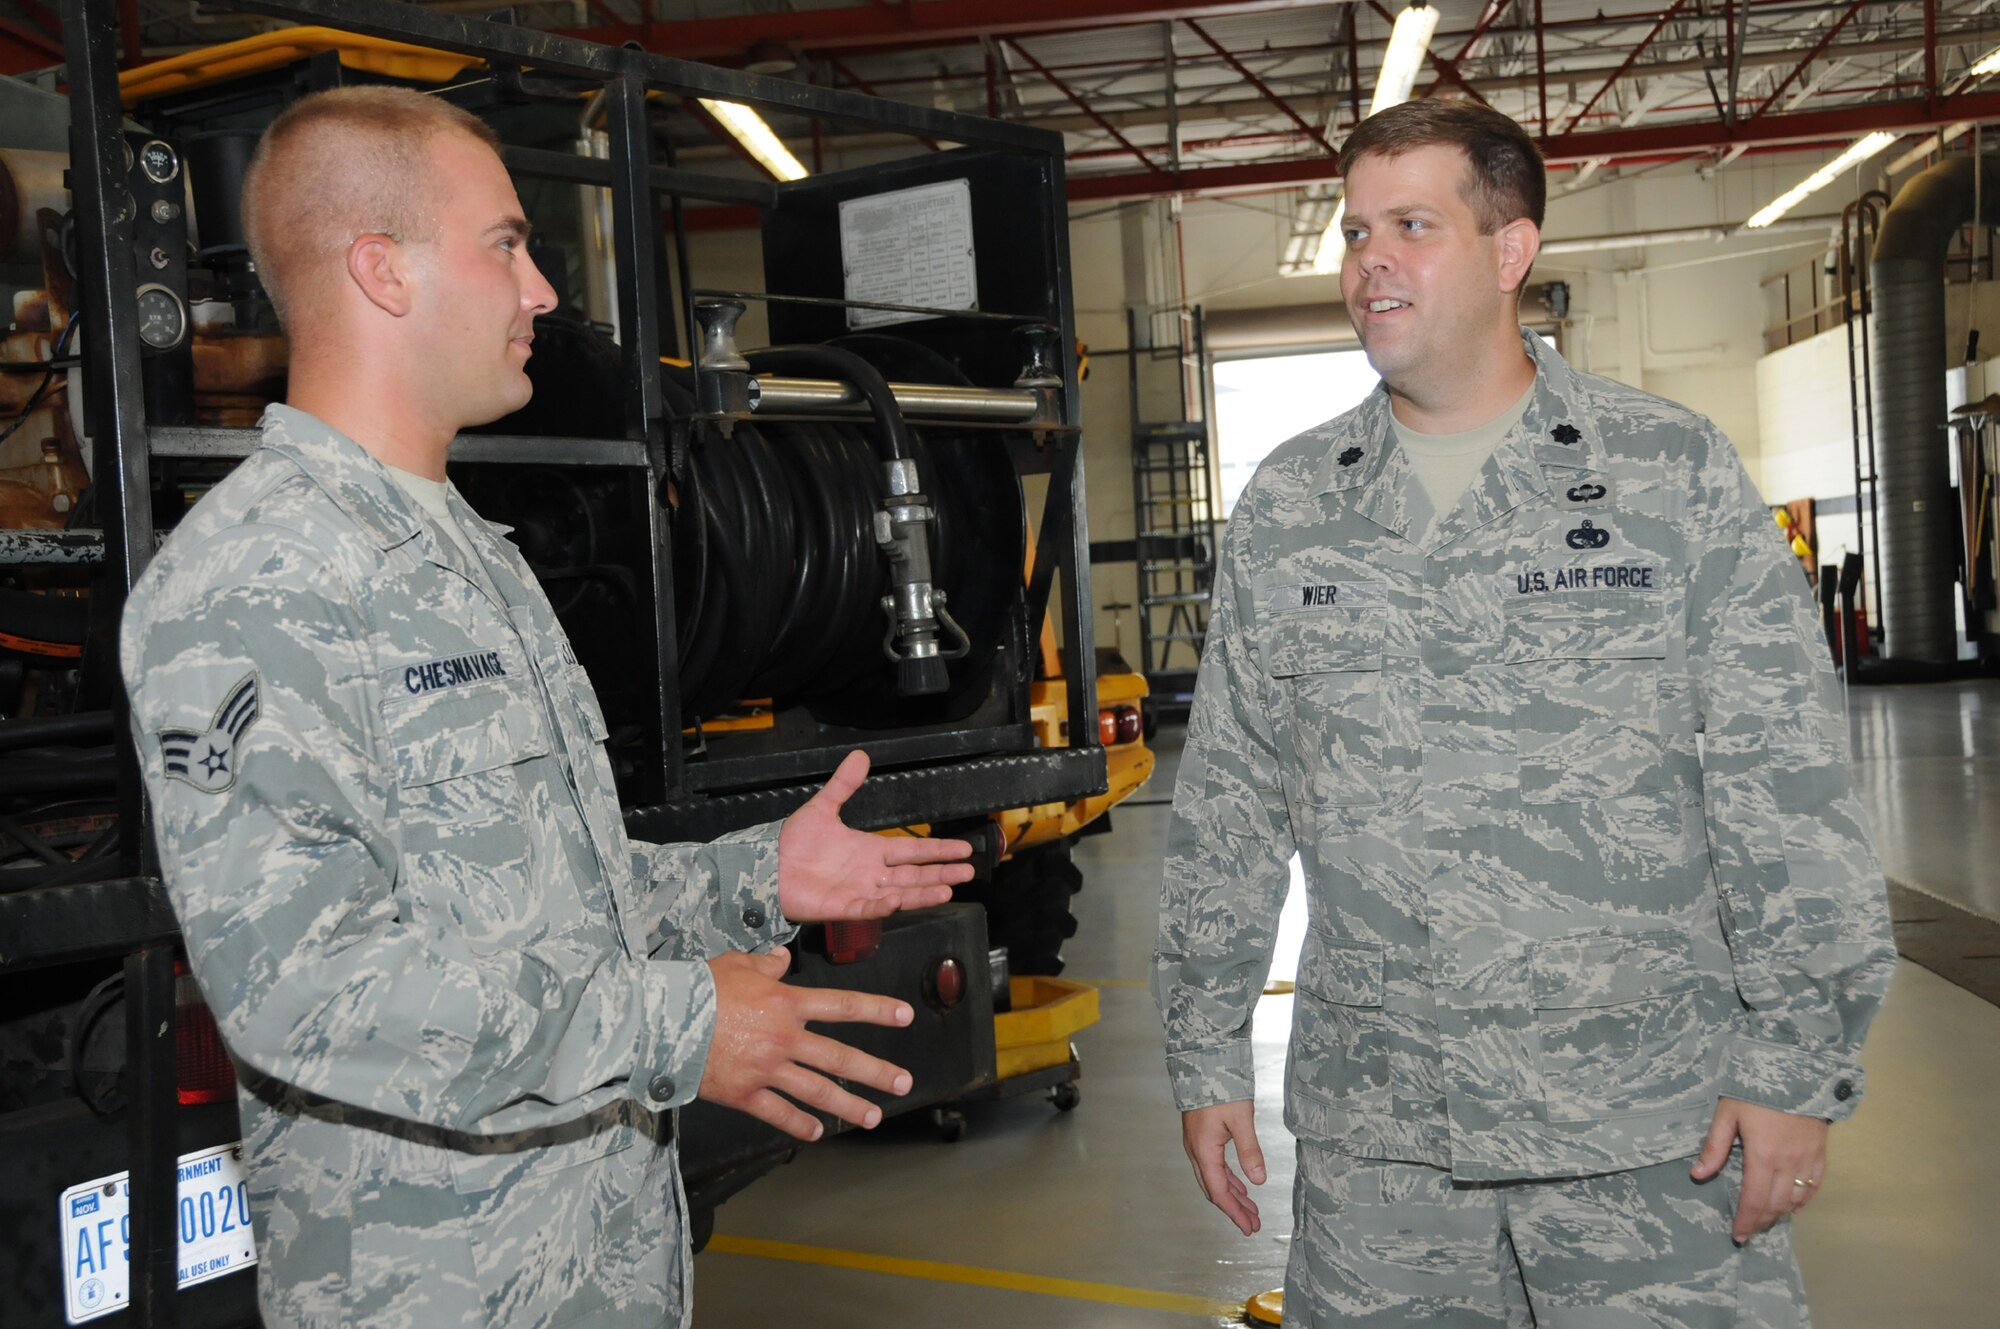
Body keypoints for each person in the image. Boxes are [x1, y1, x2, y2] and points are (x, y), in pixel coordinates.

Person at [120, 86, 973, 1329]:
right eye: (506, 244)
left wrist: (751, 877)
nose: (541, 293)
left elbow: (544, 902)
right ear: (383, 270)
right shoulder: (247, 584)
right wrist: (683, 1021)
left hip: (601, 1267)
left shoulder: (472, 549)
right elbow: (305, 992)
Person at [1155, 99, 1896, 1327]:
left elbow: (1784, 785)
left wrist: (1794, 1070)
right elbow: (1230, 802)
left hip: (1649, 1131)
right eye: (1351, 233)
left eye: (1410, 225)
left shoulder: (1666, 472)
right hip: (1385, 1152)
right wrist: (1203, 1050)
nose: (1368, 261)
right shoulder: (1291, 507)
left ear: (1509, 252)